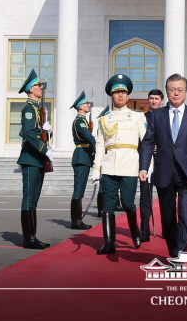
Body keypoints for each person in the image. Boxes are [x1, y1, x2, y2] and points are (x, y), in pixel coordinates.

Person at [139, 74, 187, 257]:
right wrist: (144, 167)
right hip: (164, 173)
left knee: (185, 215)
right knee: (168, 217)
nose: (176, 93)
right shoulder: (156, 115)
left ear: (186, 92)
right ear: (167, 92)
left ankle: (181, 253)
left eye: (180, 89)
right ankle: (173, 252)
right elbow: (147, 142)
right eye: (172, 89)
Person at [92, 74, 147, 254]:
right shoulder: (104, 119)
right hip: (109, 165)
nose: (121, 95)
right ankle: (109, 242)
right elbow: (100, 144)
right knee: (108, 205)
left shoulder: (137, 116)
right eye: (117, 93)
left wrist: (147, 167)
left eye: (124, 92)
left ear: (128, 95)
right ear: (111, 96)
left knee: (127, 203)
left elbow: (145, 143)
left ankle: (135, 231)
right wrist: (96, 168)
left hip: (130, 164)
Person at [17, 69, 53, 249]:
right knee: (29, 198)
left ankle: (32, 235)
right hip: (31, 158)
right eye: (38, 85)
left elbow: (38, 132)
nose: (41, 87)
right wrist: (44, 149)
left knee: (34, 199)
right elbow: (29, 133)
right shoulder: (29, 108)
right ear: (31, 89)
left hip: (37, 159)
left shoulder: (39, 109)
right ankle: (28, 238)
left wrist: (48, 131)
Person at [140, 89, 164, 241]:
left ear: (162, 100)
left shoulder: (167, 116)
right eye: (151, 98)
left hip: (163, 162)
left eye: (156, 98)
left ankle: (168, 230)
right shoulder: (142, 117)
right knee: (145, 198)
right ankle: (144, 230)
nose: (154, 101)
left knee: (166, 199)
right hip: (147, 163)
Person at [70, 90, 95, 230]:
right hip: (81, 156)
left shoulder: (83, 121)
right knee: (78, 190)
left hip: (85, 155)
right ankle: (76, 220)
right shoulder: (79, 122)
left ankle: (77, 219)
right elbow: (89, 138)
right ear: (80, 107)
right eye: (86, 103)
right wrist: (97, 148)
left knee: (80, 189)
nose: (88, 105)